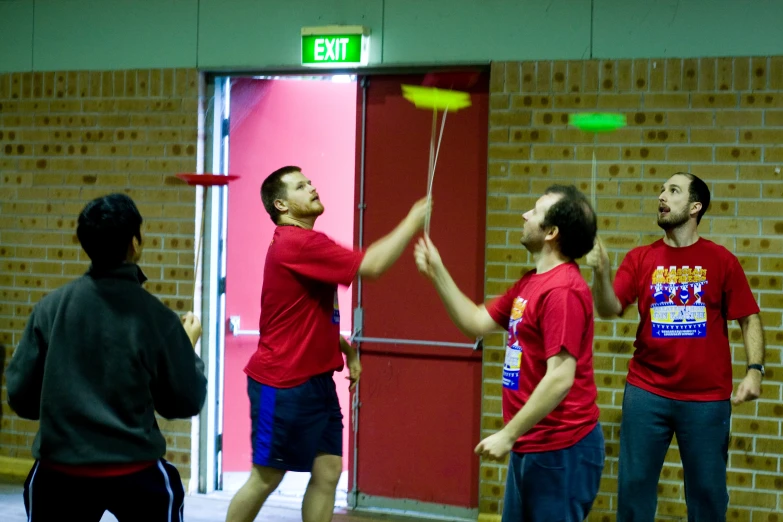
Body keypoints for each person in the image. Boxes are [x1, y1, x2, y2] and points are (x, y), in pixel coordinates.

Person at [226, 166, 429, 522]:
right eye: (301, 186)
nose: (312, 188)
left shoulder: (305, 244)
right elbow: (375, 265)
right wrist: (414, 219)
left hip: (316, 383)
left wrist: (348, 351)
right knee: (266, 477)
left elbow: (302, 319)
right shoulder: (297, 242)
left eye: (310, 182)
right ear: (282, 205)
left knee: (328, 470)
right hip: (281, 383)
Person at [6, 193, 207, 521]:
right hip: (135, 468)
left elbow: (21, 397)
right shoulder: (158, 319)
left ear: (85, 243)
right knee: (165, 488)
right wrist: (187, 345)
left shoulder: (49, 308)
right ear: (135, 242)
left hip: (59, 469)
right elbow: (183, 403)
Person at [415, 185, 605, 522]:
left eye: (534, 211)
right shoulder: (532, 282)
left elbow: (561, 377)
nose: (524, 215)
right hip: (532, 443)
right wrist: (437, 272)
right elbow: (475, 321)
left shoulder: (562, 291)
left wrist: (508, 433)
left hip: (561, 448)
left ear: (552, 233)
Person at [586, 172, 765, 522]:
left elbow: (749, 318)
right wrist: (602, 273)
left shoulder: (721, 260)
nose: (661, 196)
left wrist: (754, 371)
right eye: (661, 190)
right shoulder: (641, 258)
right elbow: (609, 308)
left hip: (707, 401)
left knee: (708, 496)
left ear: (695, 206)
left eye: (673, 190)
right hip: (646, 393)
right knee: (634, 491)